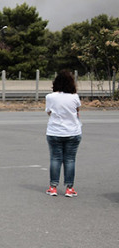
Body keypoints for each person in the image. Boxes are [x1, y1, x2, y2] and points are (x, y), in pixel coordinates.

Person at [45, 69, 82, 198]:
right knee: (70, 159)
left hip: (55, 131)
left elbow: (49, 112)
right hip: (72, 131)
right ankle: (69, 188)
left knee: (55, 159)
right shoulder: (75, 97)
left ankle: (53, 187)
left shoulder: (50, 97)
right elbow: (77, 112)